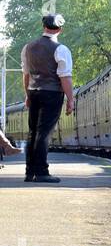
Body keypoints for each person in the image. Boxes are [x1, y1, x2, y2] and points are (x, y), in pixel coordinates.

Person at [20, 13, 74, 183]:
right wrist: (70, 99)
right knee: (44, 133)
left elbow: (26, 75)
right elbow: (65, 77)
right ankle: (42, 172)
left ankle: (30, 172)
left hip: (34, 91)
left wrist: (27, 95)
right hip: (52, 94)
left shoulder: (28, 47)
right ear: (60, 29)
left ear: (44, 27)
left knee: (33, 132)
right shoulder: (61, 49)